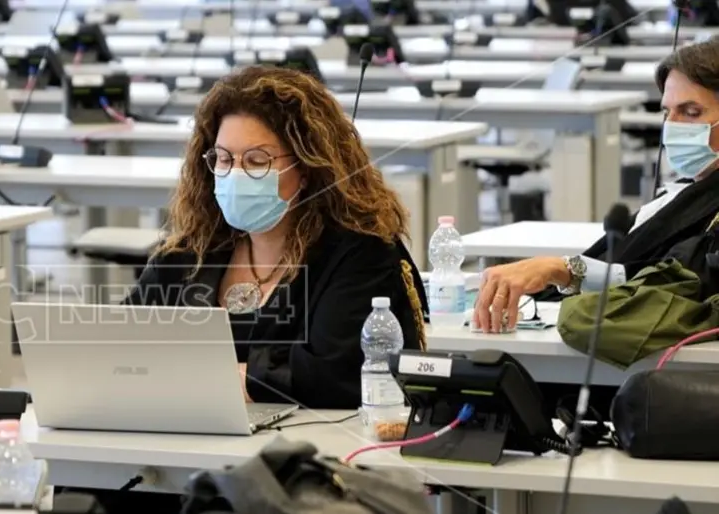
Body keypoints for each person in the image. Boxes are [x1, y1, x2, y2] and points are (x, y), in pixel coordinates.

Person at [124, 66, 428, 409]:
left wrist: (217, 377)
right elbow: (121, 346)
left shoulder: (359, 255)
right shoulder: (188, 255)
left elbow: (335, 374)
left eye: (257, 161)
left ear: (307, 168)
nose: (235, 174)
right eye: (223, 159)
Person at [475, 38, 719, 334]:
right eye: (667, 113)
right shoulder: (684, 189)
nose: (673, 126)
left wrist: (564, 270)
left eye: (691, 112)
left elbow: (671, 281)